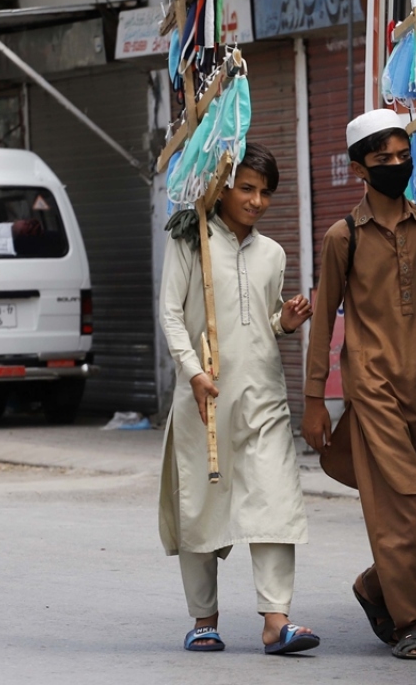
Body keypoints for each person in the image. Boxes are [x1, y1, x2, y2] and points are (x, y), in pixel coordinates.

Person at [302, 109, 416, 660]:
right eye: (384, 160)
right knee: (403, 507)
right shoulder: (344, 238)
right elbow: (323, 317)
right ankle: (412, 625)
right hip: (373, 388)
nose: (397, 166)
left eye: (404, 157)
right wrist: (315, 401)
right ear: (360, 168)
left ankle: (375, 585)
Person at [157, 143, 321, 656]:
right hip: (204, 402)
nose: (256, 201)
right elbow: (170, 315)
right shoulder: (191, 240)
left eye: (265, 192)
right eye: (246, 188)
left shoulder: (273, 253)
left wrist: (285, 323)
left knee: (276, 501)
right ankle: (204, 620)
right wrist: (191, 374)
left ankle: (277, 621)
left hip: (265, 398)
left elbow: (264, 321)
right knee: (202, 508)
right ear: (223, 185)